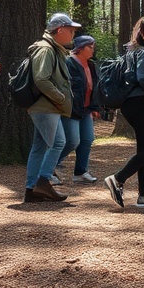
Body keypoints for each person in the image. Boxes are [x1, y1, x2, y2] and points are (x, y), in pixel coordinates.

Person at [104, 16, 144, 208]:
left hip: (130, 104)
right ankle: (117, 179)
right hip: (141, 104)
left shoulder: (133, 51)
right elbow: (143, 78)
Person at [23, 13, 78, 203]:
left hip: (46, 107)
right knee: (58, 142)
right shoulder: (46, 49)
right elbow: (41, 79)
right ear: (60, 30)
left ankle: (31, 191)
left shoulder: (53, 49)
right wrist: (60, 97)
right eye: (70, 30)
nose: (73, 34)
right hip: (46, 106)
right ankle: (43, 181)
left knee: (39, 146)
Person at [56, 33, 103, 184]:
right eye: (90, 46)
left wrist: (95, 107)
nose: (93, 49)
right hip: (71, 109)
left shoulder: (91, 65)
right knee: (72, 141)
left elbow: (93, 87)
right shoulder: (69, 63)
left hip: (86, 109)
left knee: (87, 139)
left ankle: (81, 172)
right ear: (80, 48)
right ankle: (49, 167)